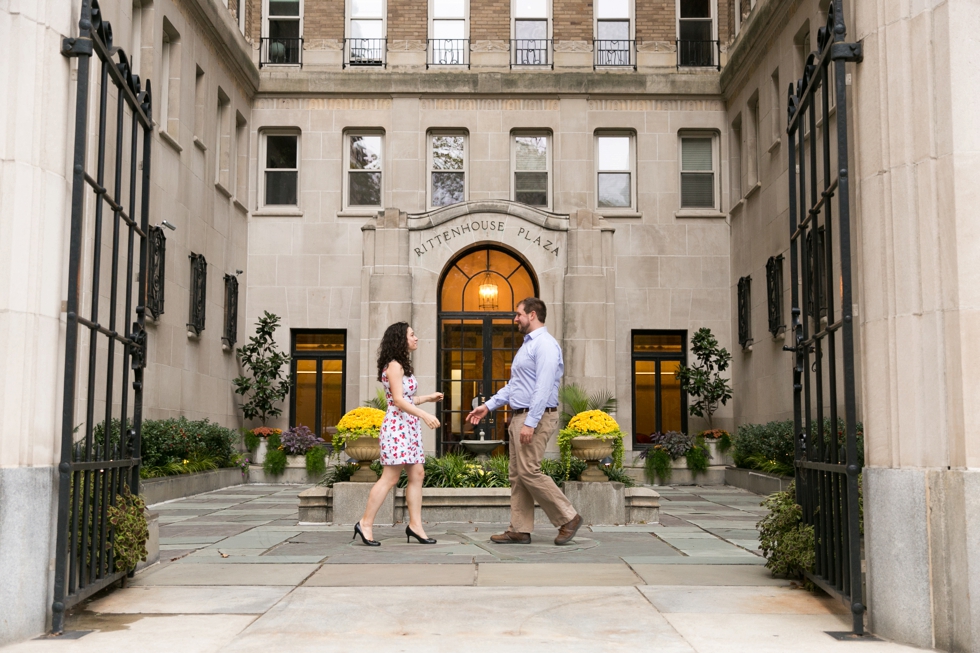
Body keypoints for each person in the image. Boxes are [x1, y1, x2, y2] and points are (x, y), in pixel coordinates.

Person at [466, 297, 582, 546]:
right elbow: (515, 386)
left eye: (518, 314)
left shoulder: (546, 346)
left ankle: (568, 517)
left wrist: (530, 422)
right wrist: (488, 406)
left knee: (529, 471)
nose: (515, 318)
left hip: (535, 416)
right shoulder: (527, 346)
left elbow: (542, 388)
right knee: (518, 475)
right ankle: (519, 529)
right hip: (520, 415)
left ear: (532, 315)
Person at [354, 322, 443, 546]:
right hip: (397, 427)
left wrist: (428, 398)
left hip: (407, 427)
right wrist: (424, 414)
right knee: (390, 477)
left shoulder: (401, 365)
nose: (416, 338)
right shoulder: (394, 365)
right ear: (400, 339)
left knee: (417, 475)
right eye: (412, 335)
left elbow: (405, 398)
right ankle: (364, 523)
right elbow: (399, 401)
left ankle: (415, 526)